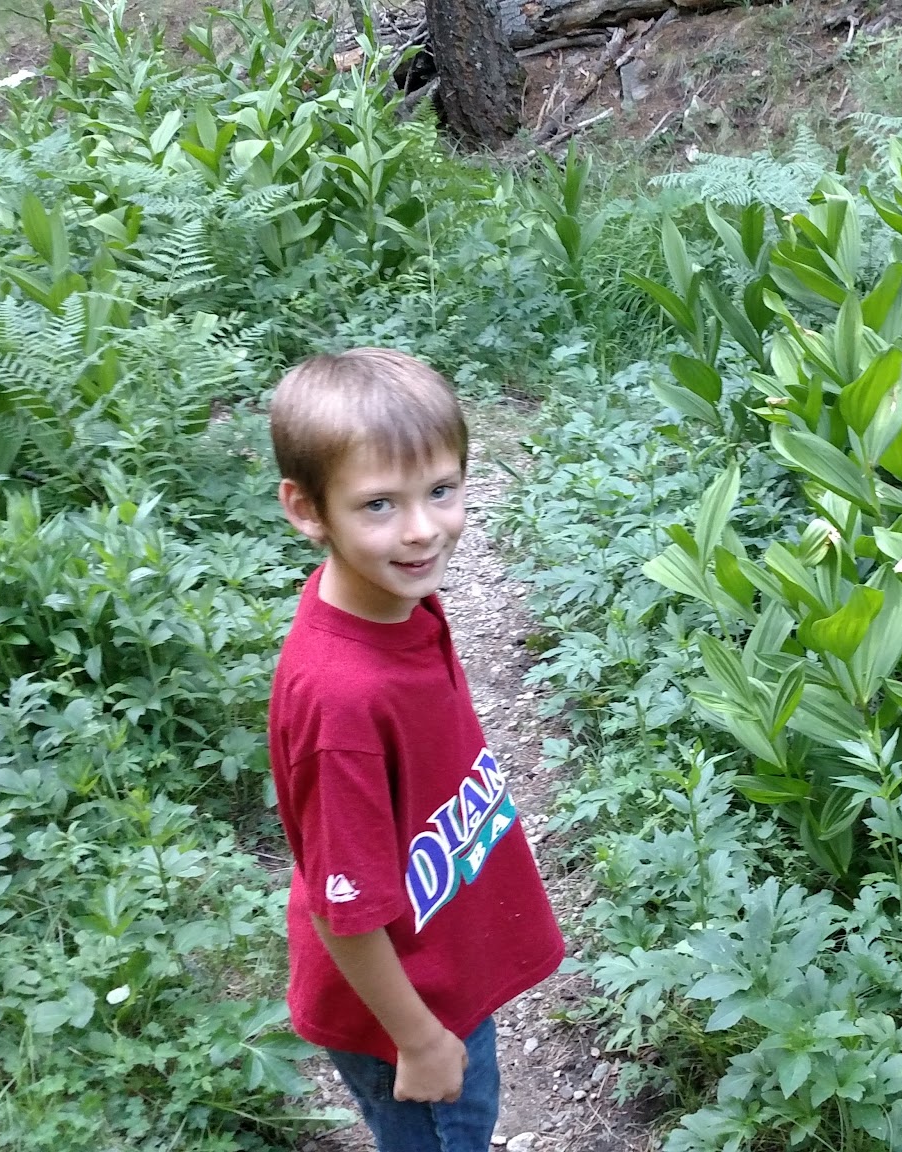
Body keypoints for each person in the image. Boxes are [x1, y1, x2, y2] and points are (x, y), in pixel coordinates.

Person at [265, 348, 564, 1151]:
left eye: (441, 491)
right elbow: (346, 910)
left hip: (439, 965)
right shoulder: (343, 700)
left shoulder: (397, 603)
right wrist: (422, 1040)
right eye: (378, 505)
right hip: (402, 1010)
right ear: (306, 508)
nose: (422, 530)